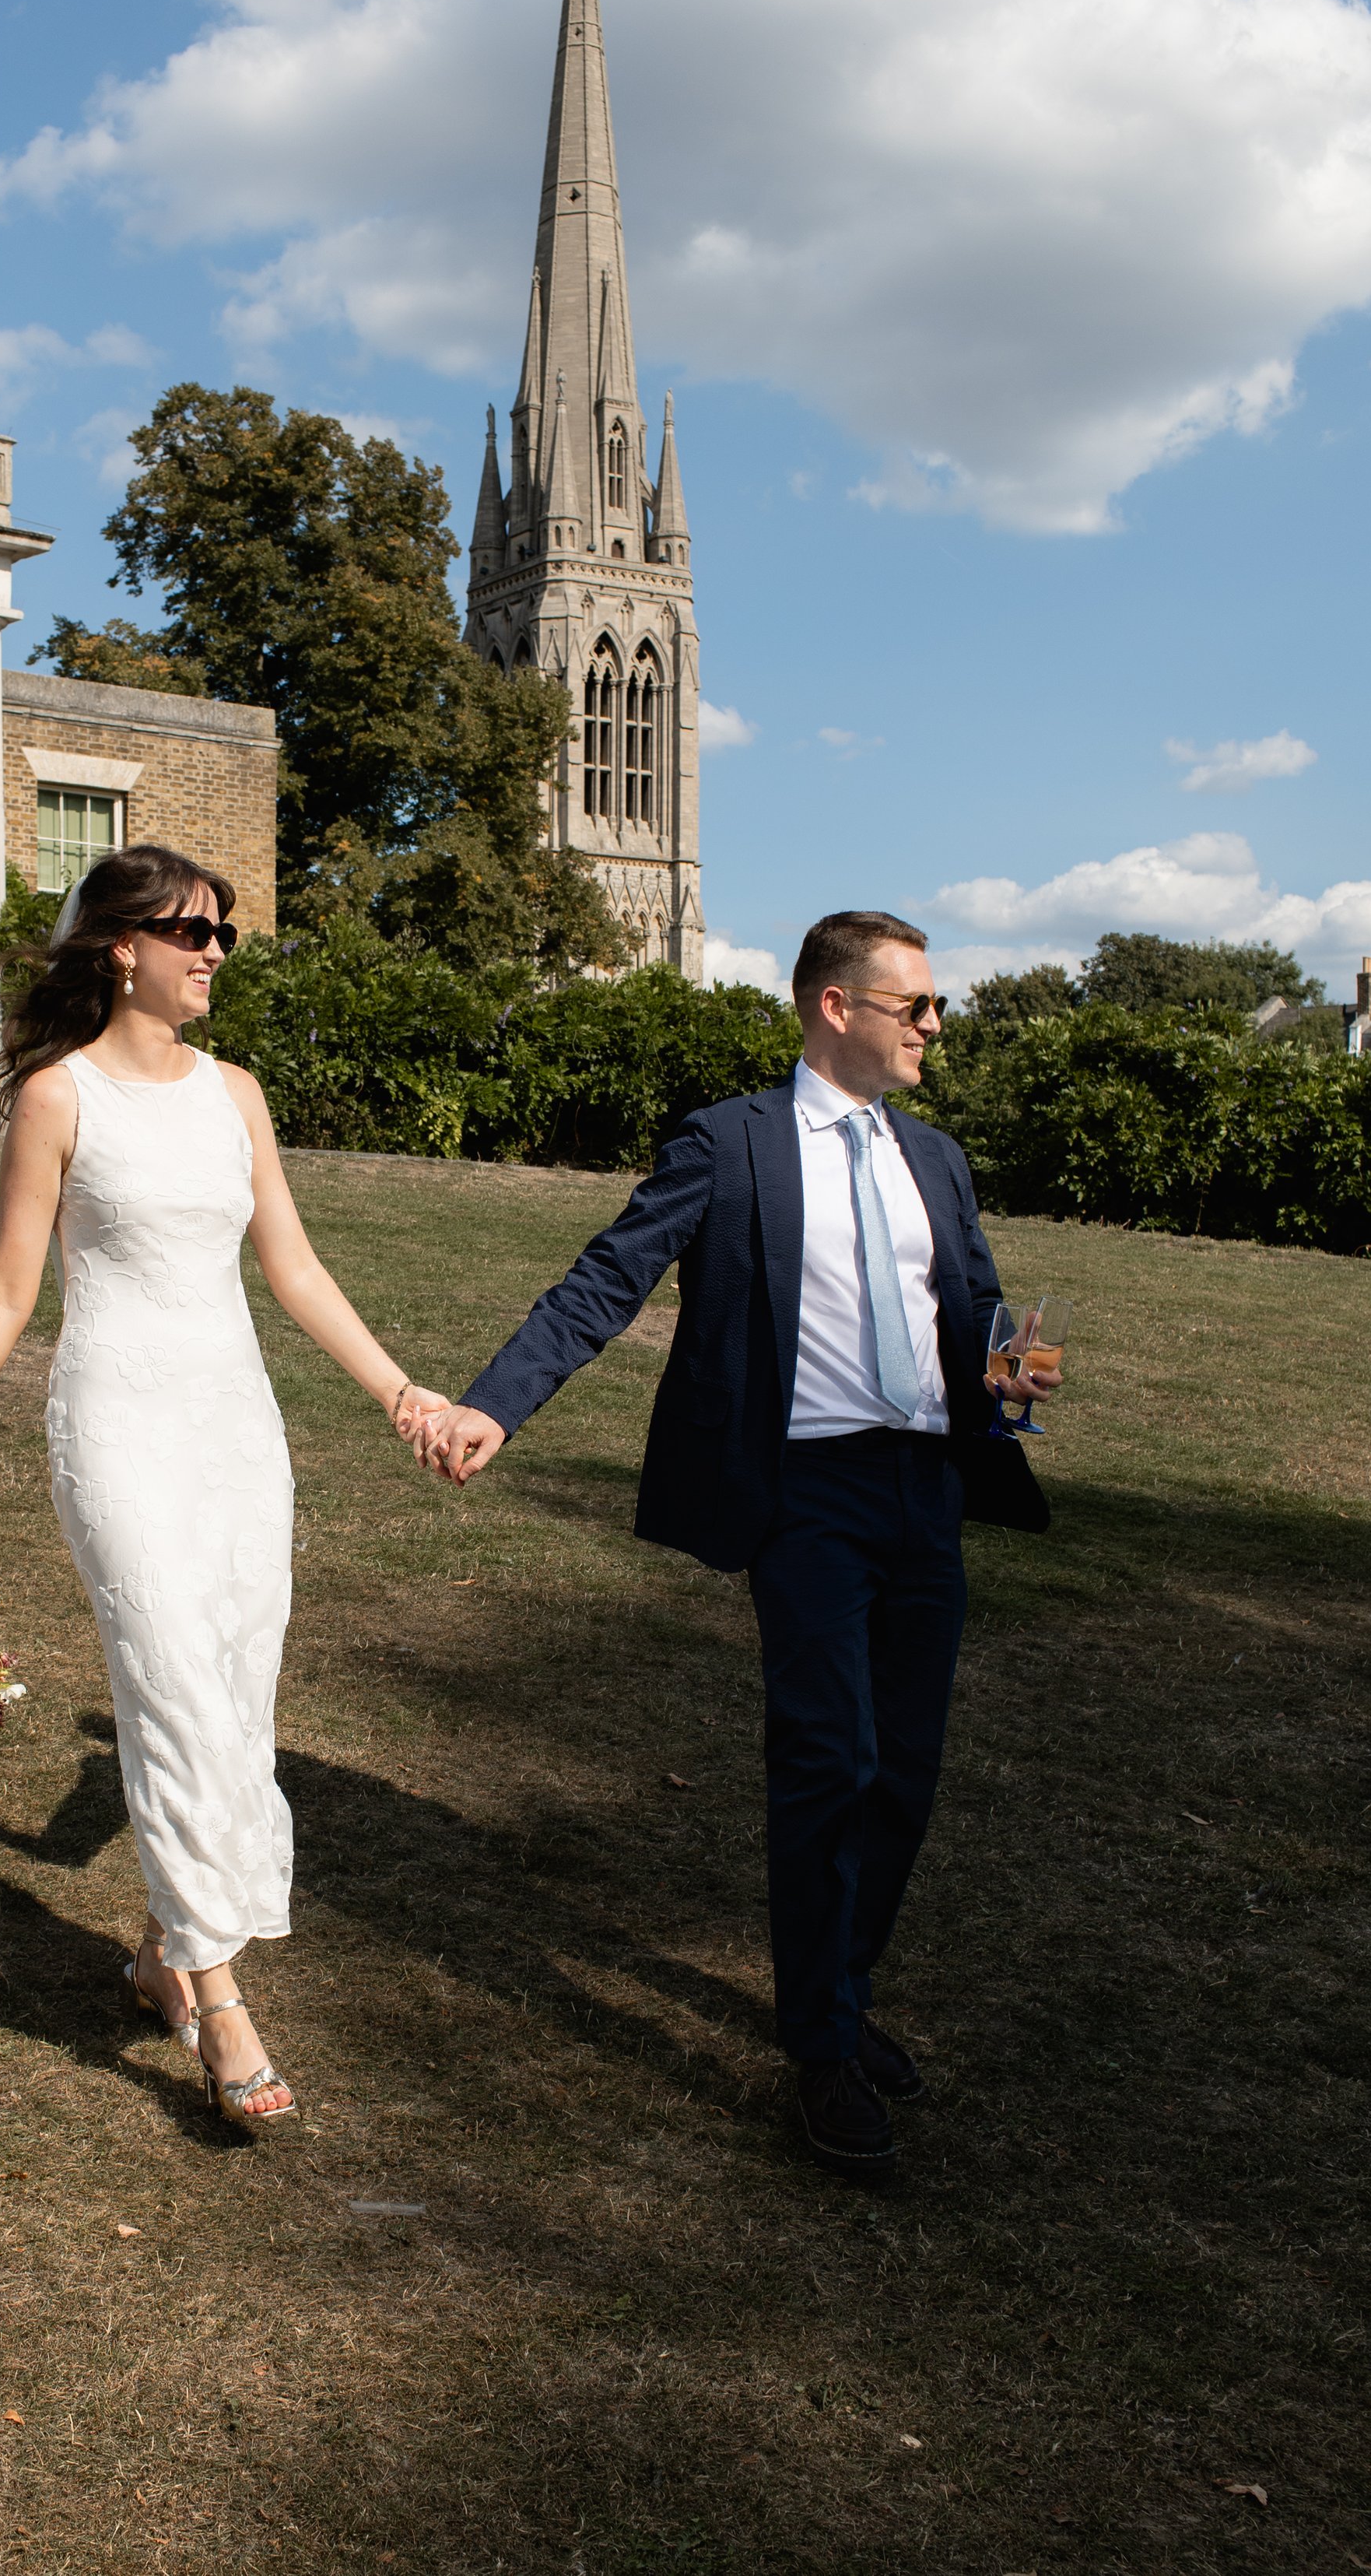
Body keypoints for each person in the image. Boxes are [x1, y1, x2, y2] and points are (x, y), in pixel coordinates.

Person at [423, 911, 1053, 2174]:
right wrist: (495, 1401)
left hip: (927, 1487)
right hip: (805, 1494)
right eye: (915, 1006)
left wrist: (1003, 1369)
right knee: (832, 1756)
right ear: (835, 1007)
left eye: (936, 1008)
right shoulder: (734, 1144)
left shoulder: (936, 1157)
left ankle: (841, 1995)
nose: (936, 1026)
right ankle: (820, 2052)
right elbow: (609, 1278)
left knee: (907, 1773)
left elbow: (970, 1300)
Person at [0, 844, 447, 2136]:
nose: (213, 953)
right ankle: (223, 2002)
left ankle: (159, 1948)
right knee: (170, 1688)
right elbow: (10, 1287)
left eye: (223, 935)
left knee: (236, 1691)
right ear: (117, 949)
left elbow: (297, 1271)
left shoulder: (236, 1094)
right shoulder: (59, 1096)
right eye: (190, 931)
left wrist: (404, 1396)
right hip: (119, 1426)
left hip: (236, 1433)